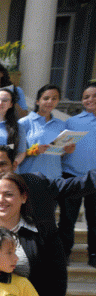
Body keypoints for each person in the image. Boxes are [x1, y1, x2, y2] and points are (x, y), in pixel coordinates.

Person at [59, 80, 96, 265]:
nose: (90, 100)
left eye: (94, 96)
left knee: (94, 220)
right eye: (86, 97)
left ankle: (94, 255)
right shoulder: (71, 122)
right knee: (67, 219)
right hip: (72, 175)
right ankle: (64, 253)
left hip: (95, 179)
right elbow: (62, 147)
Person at [18, 84, 73, 180]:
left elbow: (59, 153)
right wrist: (34, 151)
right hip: (29, 177)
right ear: (38, 101)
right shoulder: (24, 123)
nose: (50, 102)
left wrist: (66, 150)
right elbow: (14, 153)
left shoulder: (61, 125)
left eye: (54, 98)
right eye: (46, 98)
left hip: (55, 178)